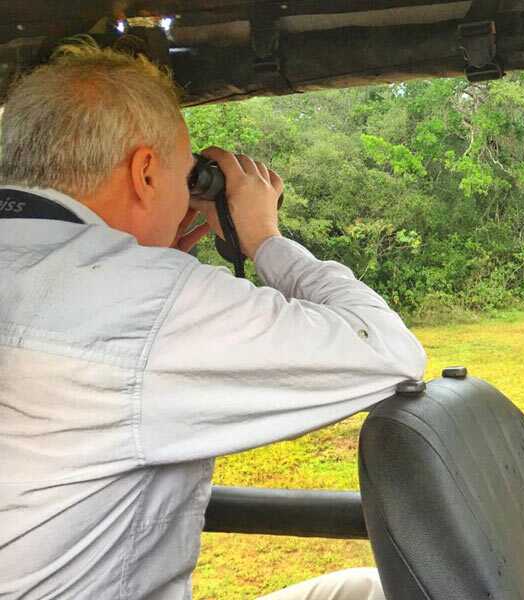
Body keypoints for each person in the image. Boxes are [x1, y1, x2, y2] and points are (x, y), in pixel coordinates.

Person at [0, 41, 426, 599]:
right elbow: (387, 351)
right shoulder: (142, 298)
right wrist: (265, 240)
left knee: (358, 590)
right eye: (185, 179)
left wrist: (150, 250)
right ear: (145, 173)